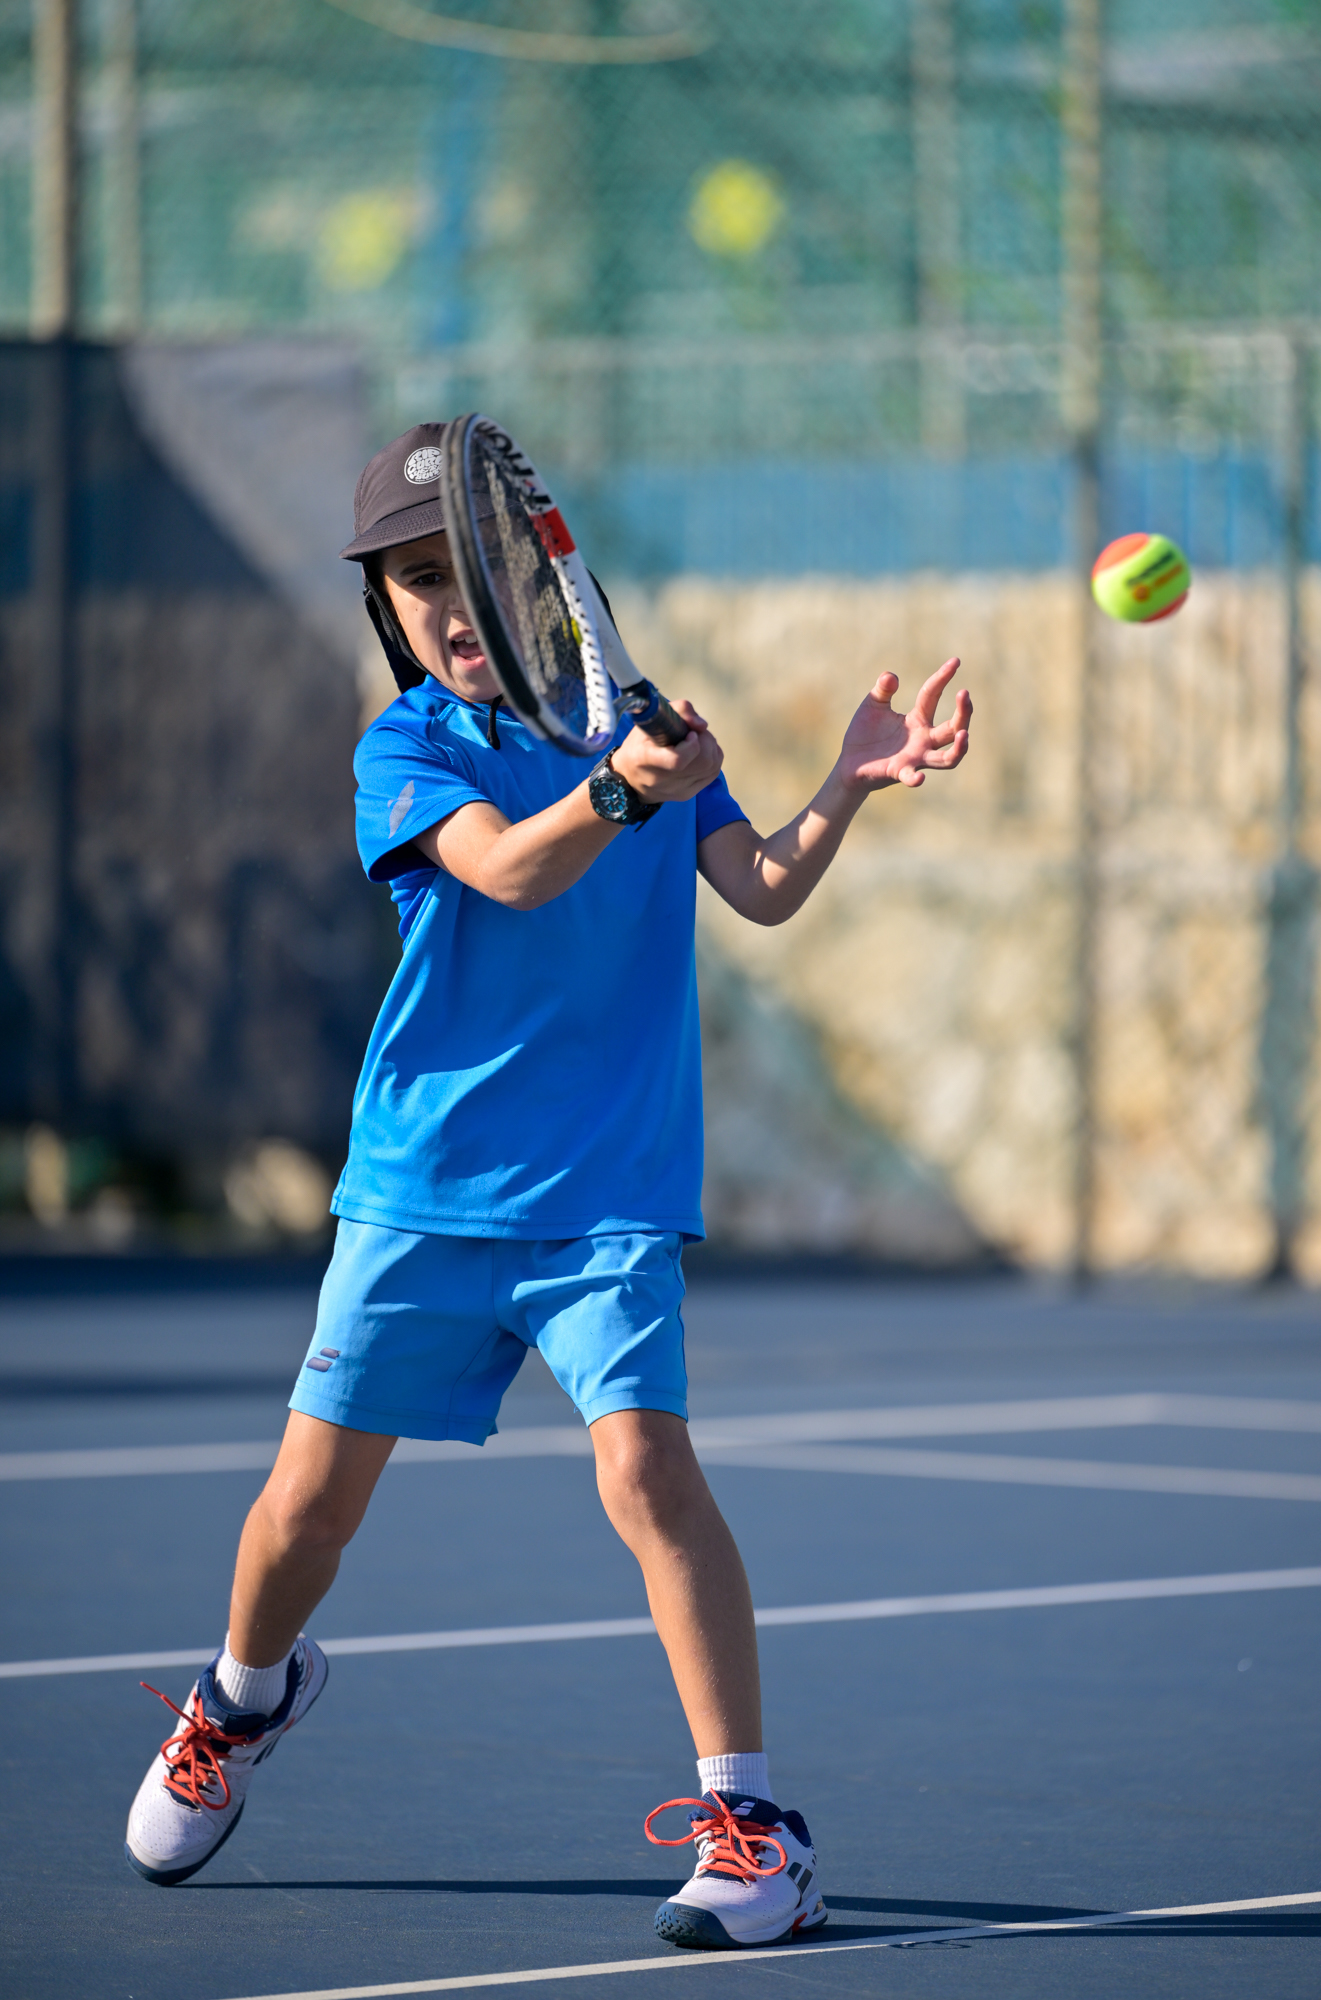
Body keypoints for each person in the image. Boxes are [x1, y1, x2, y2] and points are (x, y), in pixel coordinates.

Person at [125, 423, 971, 1950]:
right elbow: (511, 868)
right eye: (413, 581)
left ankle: (753, 1830)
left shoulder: (639, 727)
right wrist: (623, 793)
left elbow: (758, 888)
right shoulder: (407, 751)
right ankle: (240, 1701)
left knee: (648, 1476)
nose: (447, 606)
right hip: (423, 1190)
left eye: (467, 568)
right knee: (304, 1512)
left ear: (530, 576)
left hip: (605, 1194)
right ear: (385, 608)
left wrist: (844, 784)